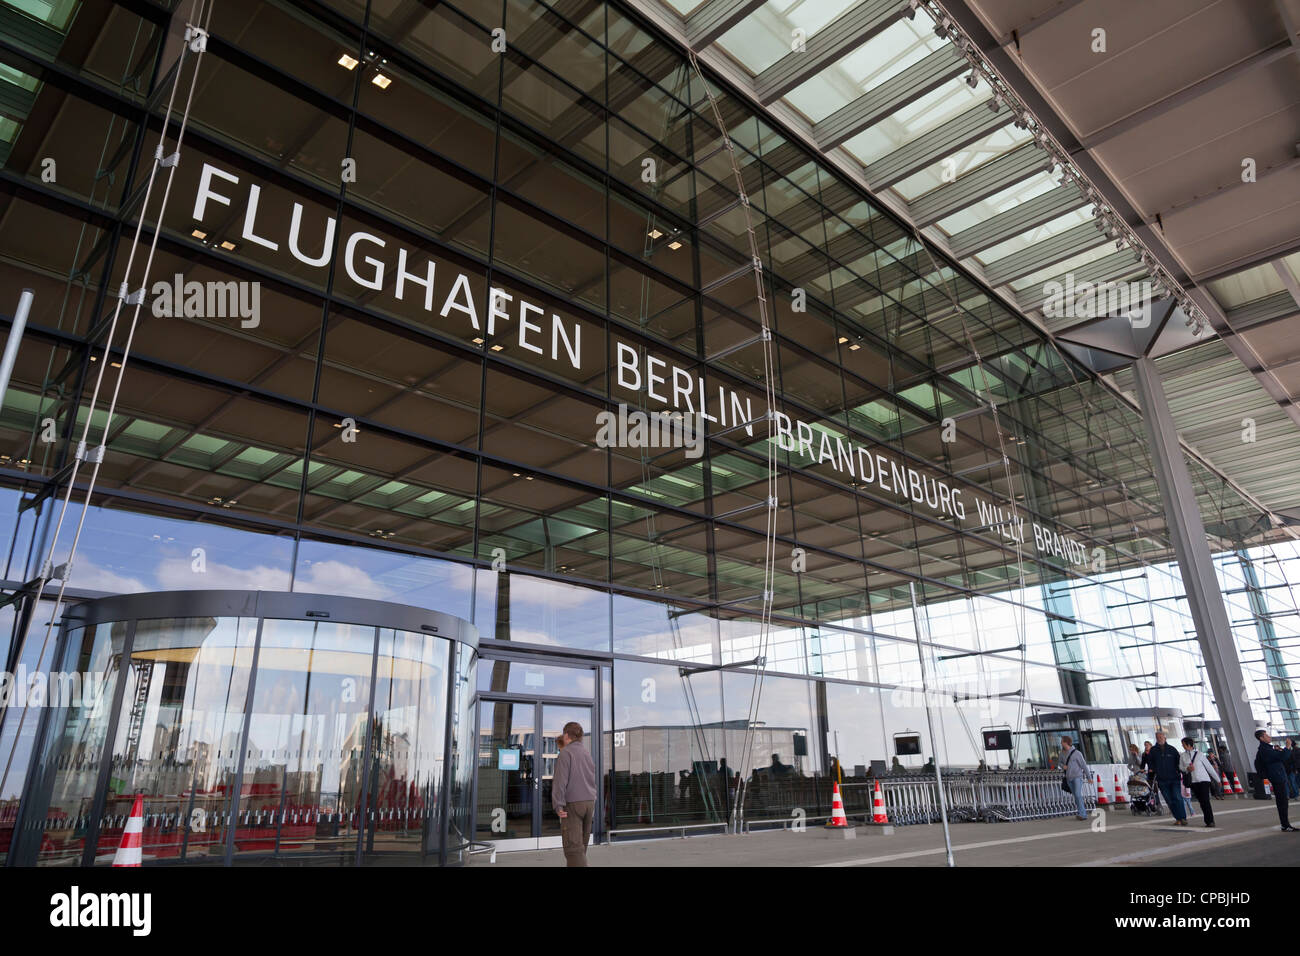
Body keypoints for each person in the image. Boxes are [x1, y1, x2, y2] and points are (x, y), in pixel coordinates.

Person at [551, 721, 597, 865]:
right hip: (589, 803)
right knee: (581, 848)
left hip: (573, 805)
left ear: (566, 735)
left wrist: (558, 805)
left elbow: (560, 782)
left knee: (573, 849)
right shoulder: (586, 752)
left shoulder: (566, 753)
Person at [1254, 730, 1295, 832]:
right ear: (1261, 738)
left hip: (1278, 776)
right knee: (1282, 802)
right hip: (1277, 777)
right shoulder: (1265, 749)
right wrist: (1288, 746)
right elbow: (1282, 757)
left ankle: (1285, 824)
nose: (1269, 736)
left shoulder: (1267, 748)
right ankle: (1285, 825)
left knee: (1283, 801)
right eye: (1266, 735)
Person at [1147, 732, 1186, 825]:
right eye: (1157, 737)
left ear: (1165, 737)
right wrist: (1153, 770)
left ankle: (1183, 818)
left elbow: (1179, 762)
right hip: (1161, 780)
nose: (1159, 738)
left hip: (1174, 778)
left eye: (1161, 737)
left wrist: (1180, 772)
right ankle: (1178, 818)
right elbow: (1150, 763)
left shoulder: (1172, 749)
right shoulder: (1153, 750)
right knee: (1169, 800)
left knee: (1177, 797)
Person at [1179, 738, 1215, 828]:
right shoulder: (1182, 756)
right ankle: (1208, 821)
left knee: (1205, 800)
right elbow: (1180, 767)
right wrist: (1187, 769)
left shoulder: (1200, 754)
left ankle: (1210, 821)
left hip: (1204, 780)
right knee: (1201, 801)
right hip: (1193, 782)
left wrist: (1217, 780)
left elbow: (1209, 767)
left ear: (1188, 745)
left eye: (1183, 744)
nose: (1182, 745)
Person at [1060, 735, 1090, 821]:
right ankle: (1080, 812)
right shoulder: (1062, 753)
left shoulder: (1077, 753)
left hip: (1077, 777)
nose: (1061, 743)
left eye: (1062, 741)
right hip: (1068, 778)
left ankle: (1083, 814)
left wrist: (1089, 777)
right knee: (1076, 796)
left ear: (1065, 742)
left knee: (1077, 794)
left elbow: (1083, 766)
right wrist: (1063, 766)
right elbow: (1059, 763)